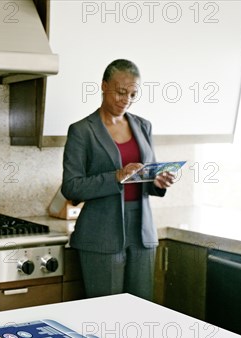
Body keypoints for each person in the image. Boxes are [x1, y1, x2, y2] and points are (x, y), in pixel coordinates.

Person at [61, 59, 175, 301]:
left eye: (133, 94)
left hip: (142, 231)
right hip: (101, 233)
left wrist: (157, 181)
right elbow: (72, 188)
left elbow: (145, 174)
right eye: (121, 92)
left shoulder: (143, 126)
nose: (127, 100)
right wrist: (117, 176)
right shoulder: (82, 130)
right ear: (103, 86)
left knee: (141, 312)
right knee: (106, 316)